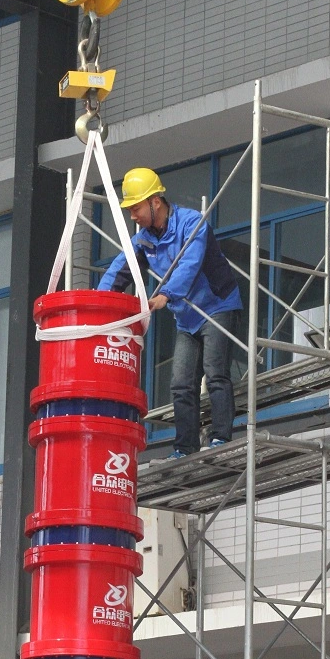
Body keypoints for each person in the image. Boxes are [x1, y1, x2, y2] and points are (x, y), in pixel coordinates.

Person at [97, 167, 243, 458]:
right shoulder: (144, 240)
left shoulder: (191, 223)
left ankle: (220, 437)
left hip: (217, 307)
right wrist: (99, 305)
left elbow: (190, 263)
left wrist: (166, 293)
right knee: (180, 383)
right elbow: (119, 272)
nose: (133, 216)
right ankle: (185, 446)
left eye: (136, 207)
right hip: (187, 318)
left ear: (155, 201)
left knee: (215, 372)